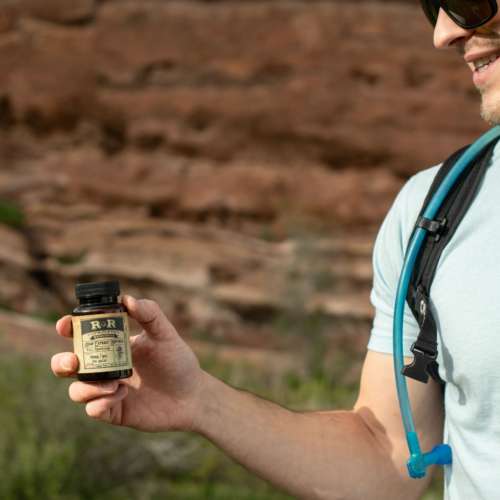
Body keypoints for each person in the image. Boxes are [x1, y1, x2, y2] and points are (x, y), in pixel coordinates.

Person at [51, 3, 500, 498]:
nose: (444, 34)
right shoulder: (433, 210)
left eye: (470, 0)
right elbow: (385, 457)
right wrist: (199, 400)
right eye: (433, 6)